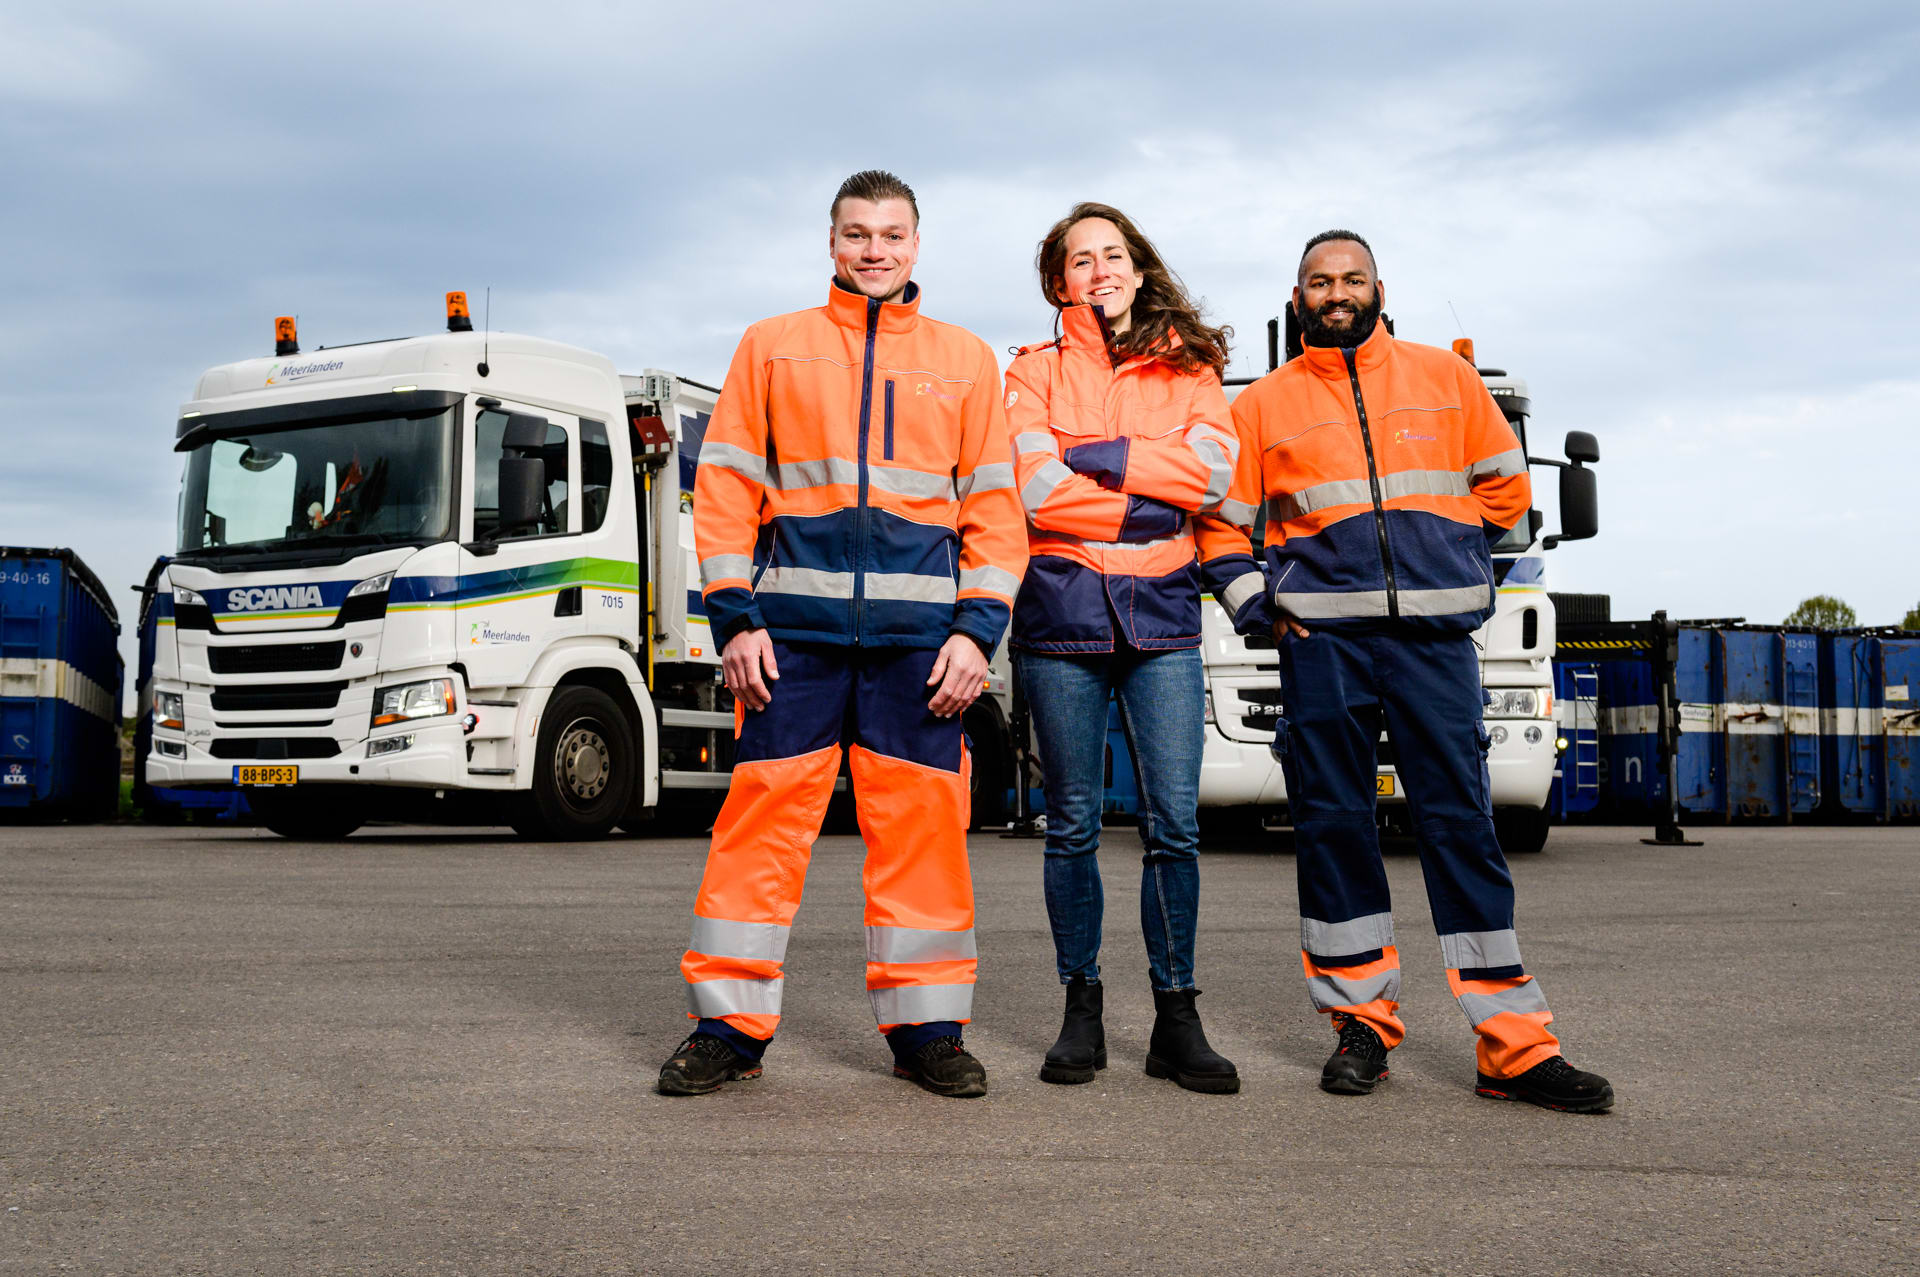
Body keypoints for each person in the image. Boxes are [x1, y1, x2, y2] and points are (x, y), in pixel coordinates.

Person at [656, 170, 1027, 1099]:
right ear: (831, 243)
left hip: (921, 649)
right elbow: (725, 490)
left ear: (916, 244)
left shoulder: (965, 359)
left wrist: (976, 635)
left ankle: (928, 1031)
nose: (874, 250)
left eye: (891, 234)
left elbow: (995, 511)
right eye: (857, 233)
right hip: (792, 643)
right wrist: (735, 618)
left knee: (926, 839)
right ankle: (727, 1029)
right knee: (757, 831)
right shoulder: (772, 346)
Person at [1229, 229, 1613, 1113]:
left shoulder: (1448, 378)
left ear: (1379, 289)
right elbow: (1222, 525)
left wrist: (1446, 564)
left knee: (1462, 827)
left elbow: (1507, 491)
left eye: (1352, 278)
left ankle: (1514, 1047)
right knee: (1334, 829)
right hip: (1323, 647)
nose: (1337, 292)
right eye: (1319, 281)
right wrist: (1262, 608)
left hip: (1434, 642)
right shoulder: (1261, 406)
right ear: (1298, 297)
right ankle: (1360, 1026)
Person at [1005, 202, 1270, 1094]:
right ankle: (1080, 1009)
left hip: (1162, 619)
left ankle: (1175, 1017)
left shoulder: (1192, 369)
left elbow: (1214, 475)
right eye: (1081, 259)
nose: (1100, 270)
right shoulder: (1031, 371)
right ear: (1060, 281)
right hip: (1060, 618)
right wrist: (1150, 499)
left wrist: (1100, 454)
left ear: (1139, 266)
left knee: (1175, 827)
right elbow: (1035, 489)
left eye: (1113, 254)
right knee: (1073, 824)